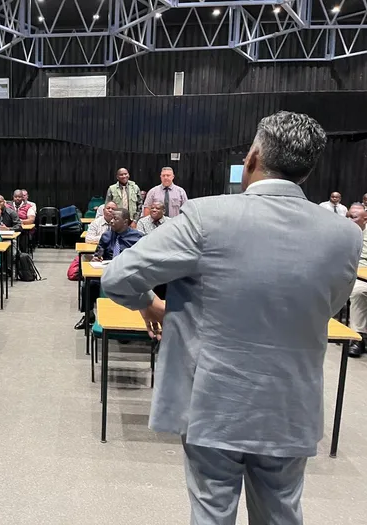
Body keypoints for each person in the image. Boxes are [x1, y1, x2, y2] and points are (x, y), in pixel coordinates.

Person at [101, 111, 361, 525]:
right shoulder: (346, 235)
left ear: (253, 158)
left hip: (213, 403)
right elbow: (327, 307)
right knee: (281, 513)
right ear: (307, 170)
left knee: (212, 512)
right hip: (291, 404)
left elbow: (118, 277)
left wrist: (149, 304)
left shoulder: (206, 217)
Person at [74, 208, 142, 330]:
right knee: (88, 285)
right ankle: (89, 315)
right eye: (111, 218)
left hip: (127, 275)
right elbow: (98, 253)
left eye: (115, 219)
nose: (111, 221)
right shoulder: (107, 235)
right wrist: (96, 258)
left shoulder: (137, 237)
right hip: (107, 273)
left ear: (125, 222)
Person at [348, 202, 367, 357]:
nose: (349, 220)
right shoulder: (344, 230)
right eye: (348, 216)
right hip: (355, 271)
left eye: (353, 217)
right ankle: (358, 338)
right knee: (358, 291)